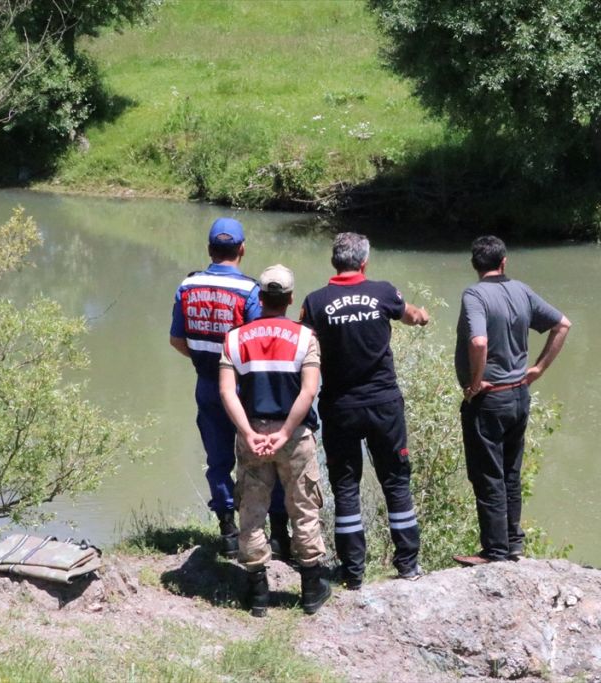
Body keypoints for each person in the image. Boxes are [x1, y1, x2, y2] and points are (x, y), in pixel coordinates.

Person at [300, 232, 429, 588]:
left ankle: (353, 573)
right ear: (364, 262)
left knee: (345, 487)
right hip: (384, 403)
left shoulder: (315, 302)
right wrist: (422, 316)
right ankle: (408, 565)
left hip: (340, 406)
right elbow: (411, 315)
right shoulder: (383, 292)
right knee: (396, 481)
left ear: (333, 262)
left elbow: (302, 343)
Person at [169, 218, 287, 557]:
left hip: (207, 384)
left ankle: (228, 533)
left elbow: (177, 339)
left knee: (217, 460)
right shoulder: (250, 292)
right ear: (242, 249)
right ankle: (276, 534)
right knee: (265, 457)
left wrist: (204, 359)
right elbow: (259, 341)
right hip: (246, 391)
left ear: (209, 250)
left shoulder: (187, 287)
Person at [452, 236, 571, 566]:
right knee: (510, 473)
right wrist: (537, 369)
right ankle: (513, 543)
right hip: (519, 395)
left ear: (475, 265)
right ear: (503, 262)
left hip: (490, 400)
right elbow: (562, 325)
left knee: (488, 474)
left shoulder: (475, 295)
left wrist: (474, 384)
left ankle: (495, 551)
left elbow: (478, 341)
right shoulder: (522, 290)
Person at [219, 264, 329, 617]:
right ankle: (311, 590)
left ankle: (258, 595)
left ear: (260, 298)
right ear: (291, 298)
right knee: (304, 508)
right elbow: (309, 390)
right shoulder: (305, 337)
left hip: (252, 431)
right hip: (293, 435)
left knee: (251, 511)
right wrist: (284, 432)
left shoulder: (234, 338)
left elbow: (227, 392)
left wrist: (249, 432)